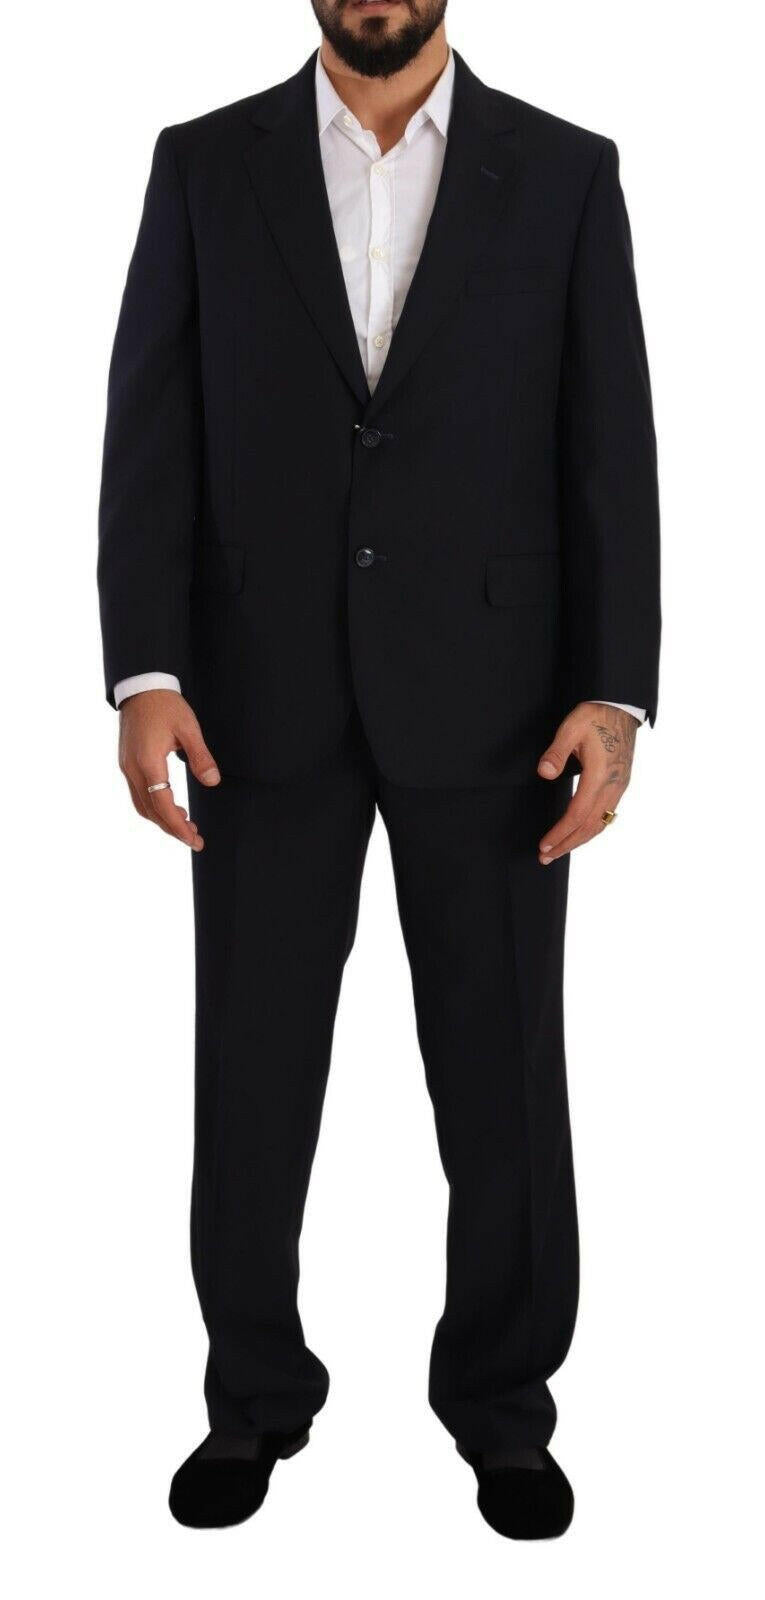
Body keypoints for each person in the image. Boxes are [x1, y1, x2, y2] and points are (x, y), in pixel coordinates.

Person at [98, 0, 660, 1539]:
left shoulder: (564, 172)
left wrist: (612, 691)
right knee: (251, 1070)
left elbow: (606, 442)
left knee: (502, 1077)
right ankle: (250, 1397)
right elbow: (150, 424)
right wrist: (146, 671)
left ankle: (502, 1408)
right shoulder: (204, 165)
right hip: (252, 696)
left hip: (497, 702)